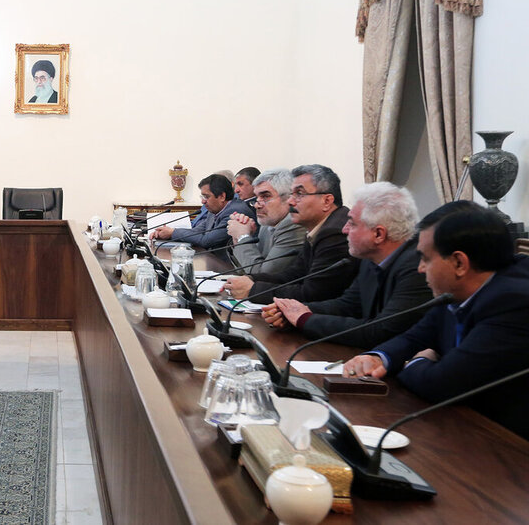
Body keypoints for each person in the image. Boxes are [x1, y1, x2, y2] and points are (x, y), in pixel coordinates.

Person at [342, 202, 529, 440]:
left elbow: (442, 384)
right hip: (462, 424)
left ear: (459, 263)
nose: (420, 269)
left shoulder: (515, 303)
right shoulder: (457, 290)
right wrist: (379, 358)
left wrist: (414, 362)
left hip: (507, 443)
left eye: (425, 258)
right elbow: (416, 336)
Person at [261, 182, 433, 348]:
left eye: (352, 223)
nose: (344, 229)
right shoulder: (371, 258)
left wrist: (304, 319)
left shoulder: (418, 268)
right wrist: (292, 311)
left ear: (378, 234)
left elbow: (380, 331)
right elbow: (348, 305)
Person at [225, 164, 359, 304]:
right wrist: (251, 279)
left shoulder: (335, 233)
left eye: (299, 194)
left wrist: (253, 290)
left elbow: (314, 293)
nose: (290, 201)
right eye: (292, 194)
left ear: (326, 201)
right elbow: (293, 275)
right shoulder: (317, 228)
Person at [228, 168, 306, 276]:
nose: (257, 205)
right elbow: (245, 271)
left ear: (289, 198)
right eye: (257, 198)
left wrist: (243, 237)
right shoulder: (266, 224)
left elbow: (263, 275)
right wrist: (237, 239)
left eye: (265, 197)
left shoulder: (293, 225)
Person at [151, 173, 246, 250]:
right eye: (202, 197)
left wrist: (173, 232)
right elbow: (195, 232)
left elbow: (207, 240)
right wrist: (167, 233)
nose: (203, 201)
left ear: (222, 196)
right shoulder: (214, 210)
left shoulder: (235, 212)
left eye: (206, 197)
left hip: (228, 265)